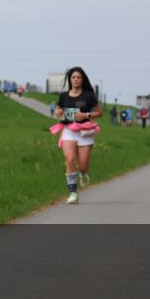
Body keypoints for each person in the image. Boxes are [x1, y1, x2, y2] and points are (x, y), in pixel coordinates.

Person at [52, 66, 102, 205]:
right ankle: (73, 193)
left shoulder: (88, 96)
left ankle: (83, 174)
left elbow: (99, 113)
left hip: (84, 132)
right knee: (69, 160)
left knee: (83, 166)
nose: (75, 79)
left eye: (78, 77)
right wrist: (58, 112)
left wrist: (85, 115)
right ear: (70, 79)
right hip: (69, 131)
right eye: (73, 77)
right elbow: (59, 109)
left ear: (82, 79)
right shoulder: (64, 95)